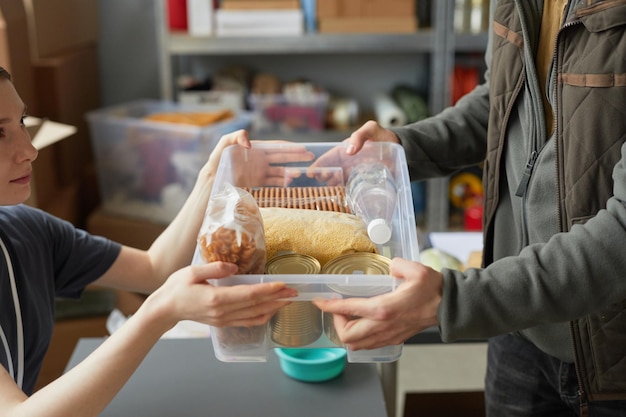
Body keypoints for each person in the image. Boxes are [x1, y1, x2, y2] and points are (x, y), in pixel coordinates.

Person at [311, 1, 626, 416]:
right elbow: (503, 100)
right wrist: (403, 148)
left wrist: (452, 301)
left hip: (610, 359)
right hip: (515, 324)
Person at [0, 65, 316, 416]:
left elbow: (154, 268)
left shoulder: (26, 231)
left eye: (22, 123)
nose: (29, 150)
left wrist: (212, 177)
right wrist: (158, 313)